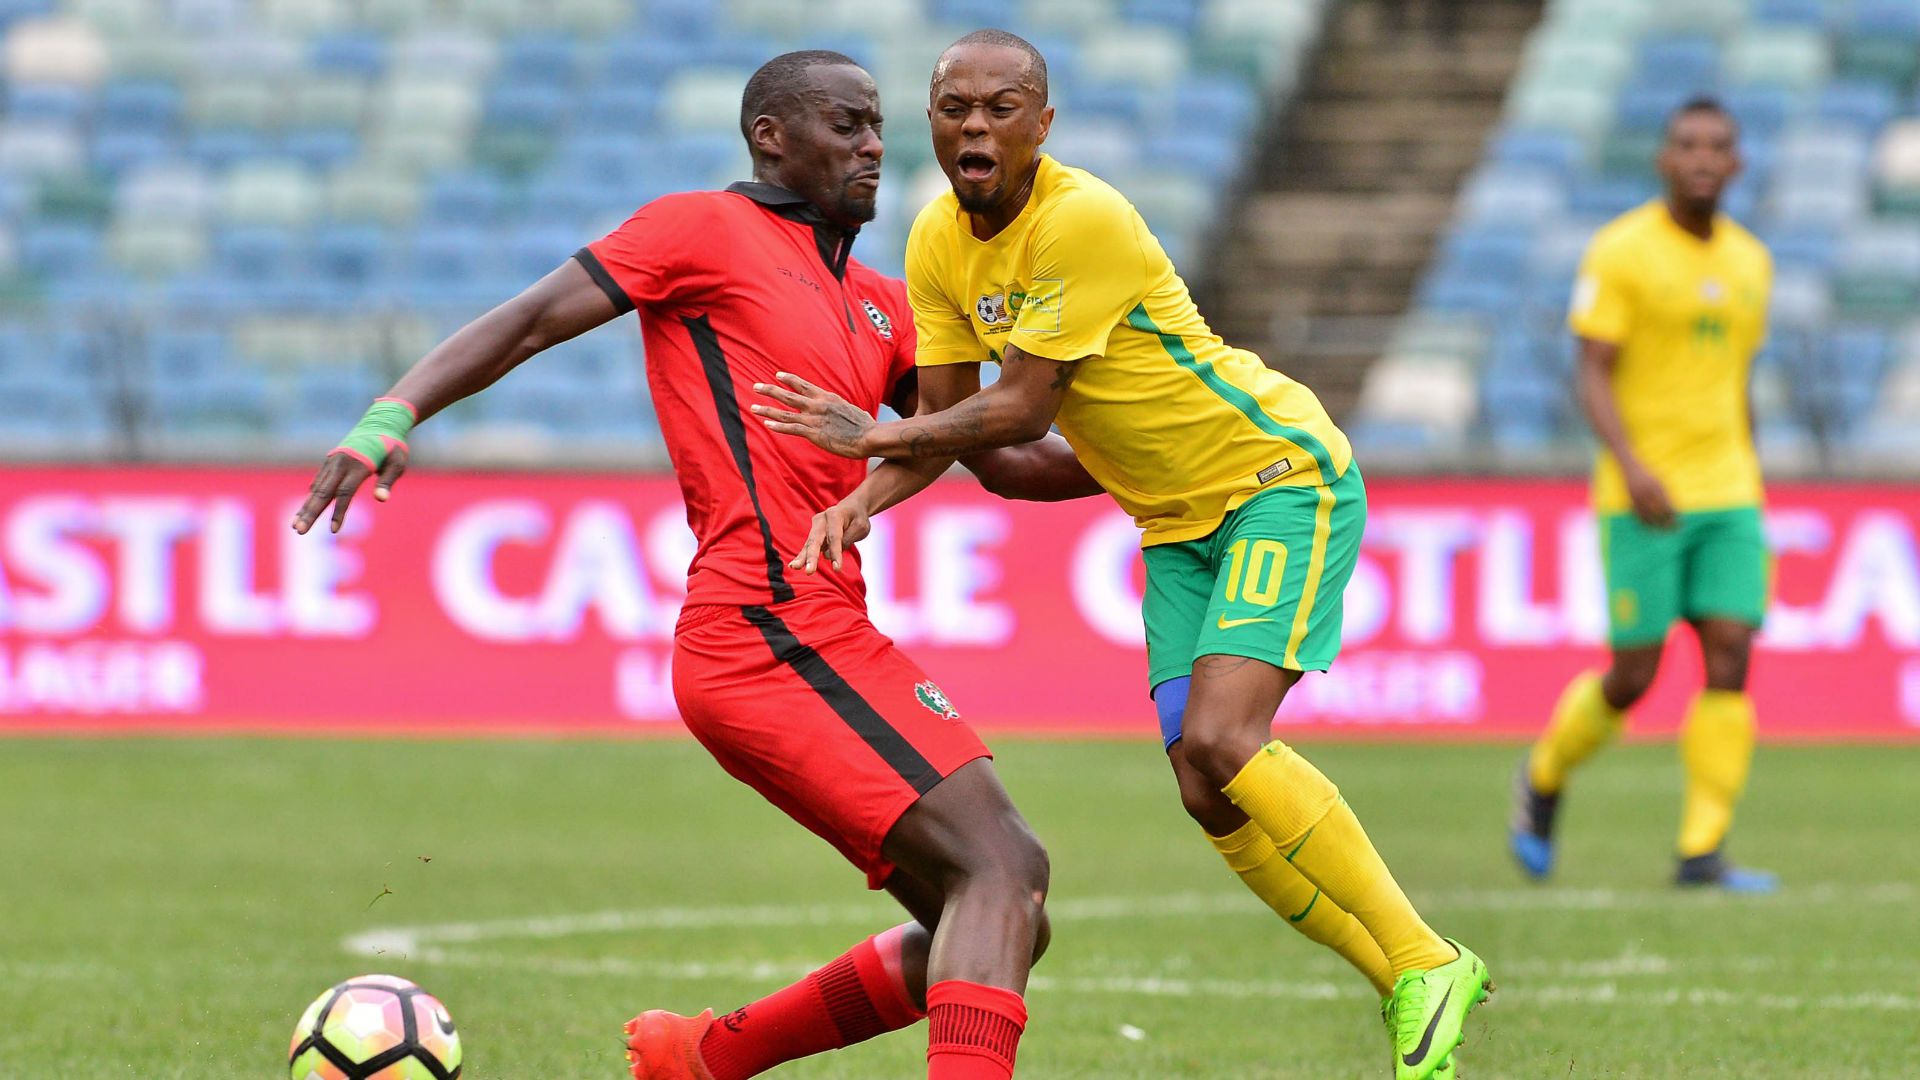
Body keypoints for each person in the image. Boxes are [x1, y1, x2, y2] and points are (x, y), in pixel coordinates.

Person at [292, 50, 1104, 1080]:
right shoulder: (702, 229)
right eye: (845, 123)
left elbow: (1003, 457)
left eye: (876, 126)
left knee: (997, 917)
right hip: (762, 628)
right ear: (771, 136)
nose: (872, 145)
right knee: (1002, 866)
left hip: (826, 625)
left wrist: (1166, 462)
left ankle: (704, 1058)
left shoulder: (886, 302)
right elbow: (533, 318)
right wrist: (392, 410)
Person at [751, 30, 1491, 1080]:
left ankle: (1423, 960)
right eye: (953, 105)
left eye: (1001, 106)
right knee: (1205, 784)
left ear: (1041, 126)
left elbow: (1022, 405)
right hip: (1178, 525)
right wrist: (863, 498)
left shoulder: (1081, 218)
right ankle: (1414, 988)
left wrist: (869, 436)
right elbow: (956, 425)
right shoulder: (935, 242)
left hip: (1276, 480)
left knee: (1228, 737)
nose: (975, 124)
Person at [1510, 96, 1778, 892]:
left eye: (1717, 146)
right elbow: (1592, 367)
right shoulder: (1621, 252)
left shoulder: (1751, 263)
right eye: (1686, 144)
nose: (1701, 158)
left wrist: (1752, 472)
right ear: (1664, 159)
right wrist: (1631, 465)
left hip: (1729, 490)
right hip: (1644, 492)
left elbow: (1736, 379)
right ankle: (1545, 774)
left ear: (1736, 164)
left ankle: (1702, 850)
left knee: (1731, 654)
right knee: (1635, 674)